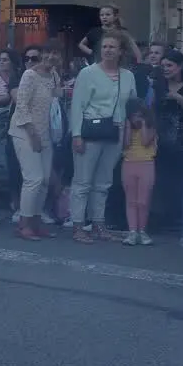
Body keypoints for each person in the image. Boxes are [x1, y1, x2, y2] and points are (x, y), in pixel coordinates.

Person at [69, 31, 137, 243]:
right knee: (82, 181)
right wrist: (77, 135)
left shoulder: (128, 76)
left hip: (115, 130)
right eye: (105, 46)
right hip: (90, 130)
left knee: (104, 181)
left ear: (121, 51)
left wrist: (127, 131)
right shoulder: (88, 73)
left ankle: (99, 223)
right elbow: (77, 105)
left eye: (112, 47)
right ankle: (78, 225)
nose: (107, 50)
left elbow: (132, 106)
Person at [10, 41, 62, 239]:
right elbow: (21, 106)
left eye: (54, 53)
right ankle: (24, 225)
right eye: (47, 53)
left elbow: (56, 101)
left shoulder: (54, 75)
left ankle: (36, 221)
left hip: (46, 131)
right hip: (25, 130)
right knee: (34, 178)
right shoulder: (29, 75)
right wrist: (33, 135)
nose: (50, 57)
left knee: (46, 180)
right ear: (42, 55)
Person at [154, 49, 183, 243]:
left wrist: (179, 99)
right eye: (163, 66)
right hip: (161, 138)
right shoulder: (159, 84)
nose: (165, 69)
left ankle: (181, 221)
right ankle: (164, 219)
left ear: (180, 66)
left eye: (169, 65)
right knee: (163, 180)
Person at [120, 99, 158, 246]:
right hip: (129, 163)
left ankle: (142, 231)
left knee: (143, 201)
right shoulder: (127, 125)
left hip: (147, 163)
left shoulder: (151, 126)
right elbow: (126, 143)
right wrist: (128, 127)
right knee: (131, 200)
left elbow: (145, 141)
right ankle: (132, 232)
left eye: (139, 115)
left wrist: (142, 125)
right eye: (133, 115)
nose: (136, 118)